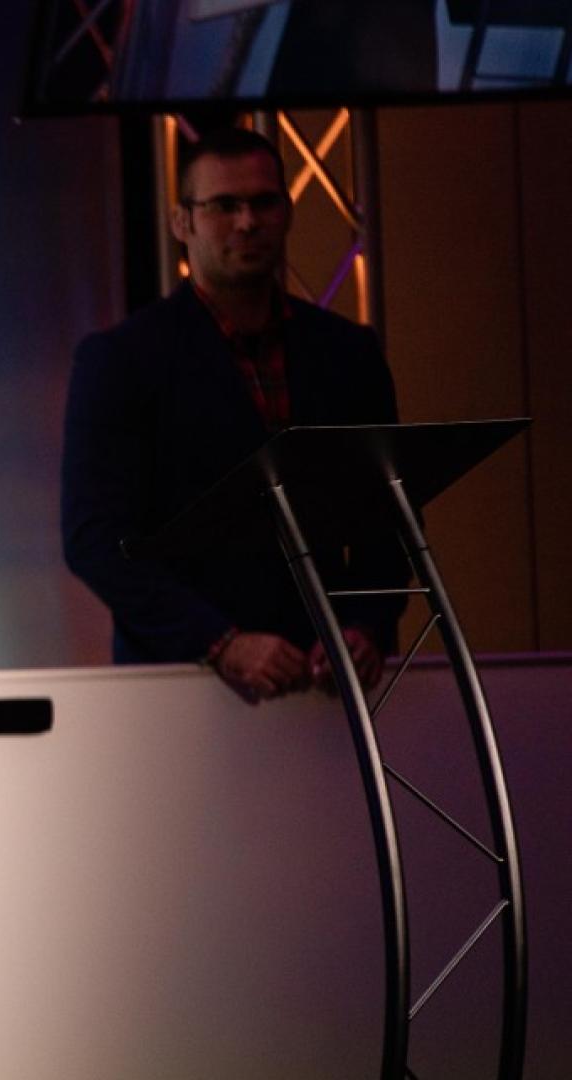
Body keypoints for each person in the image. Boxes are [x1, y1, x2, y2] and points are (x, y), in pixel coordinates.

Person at [61, 125, 407, 703]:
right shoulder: (120, 360)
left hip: (331, 686)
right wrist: (220, 642)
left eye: (264, 202)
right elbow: (95, 539)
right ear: (182, 223)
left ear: (287, 210)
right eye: (224, 205)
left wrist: (366, 626)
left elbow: (390, 514)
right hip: (181, 686)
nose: (248, 222)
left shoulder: (349, 351)